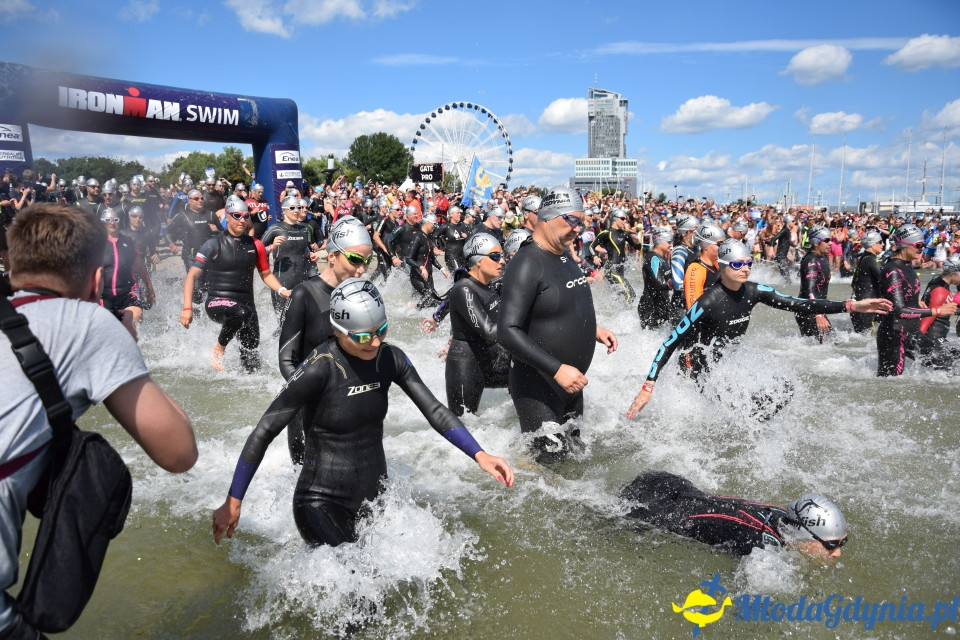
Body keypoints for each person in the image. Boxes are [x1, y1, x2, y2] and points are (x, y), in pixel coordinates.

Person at [1, 203, 197, 639]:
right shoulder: (89, 322)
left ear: (11, 264)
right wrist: (130, 353)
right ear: (95, 280)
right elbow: (179, 452)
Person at [212, 278, 514, 548]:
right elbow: (264, 430)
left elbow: (434, 410)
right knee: (360, 590)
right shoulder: (320, 367)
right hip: (320, 501)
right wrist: (234, 500)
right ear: (338, 330)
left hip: (374, 496)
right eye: (362, 337)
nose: (374, 342)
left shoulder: (390, 359)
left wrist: (480, 454)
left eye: (380, 330)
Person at [627, 239, 892, 418]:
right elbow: (670, 341)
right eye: (738, 264)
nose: (745, 269)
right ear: (723, 266)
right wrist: (648, 385)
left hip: (723, 362)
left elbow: (798, 304)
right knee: (726, 414)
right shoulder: (708, 301)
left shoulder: (754, 291)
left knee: (782, 392)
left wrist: (851, 306)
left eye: (749, 263)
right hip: (696, 366)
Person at [498, 187, 618, 462]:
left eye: (582, 222)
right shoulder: (527, 263)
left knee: (575, 465)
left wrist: (593, 330)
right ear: (548, 217)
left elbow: (560, 303)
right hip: (539, 385)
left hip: (570, 384)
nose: (578, 229)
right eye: (572, 220)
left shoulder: (562, 254)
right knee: (550, 477)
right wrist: (557, 369)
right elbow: (507, 331)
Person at [278, 217, 373, 463]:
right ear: (331, 256)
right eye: (355, 260)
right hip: (309, 408)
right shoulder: (304, 294)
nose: (361, 269)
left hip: (351, 404)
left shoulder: (362, 296)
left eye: (367, 261)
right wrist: (317, 391)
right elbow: (287, 359)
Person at [620, 472, 848, 558]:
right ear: (804, 535)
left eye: (841, 543)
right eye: (831, 545)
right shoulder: (759, 544)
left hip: (671, 484)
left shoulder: (782, 516)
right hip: (652, 510)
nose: (837, 553)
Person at [180, 200, 291, 372]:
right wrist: (187, 307)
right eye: (237, 216)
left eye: (245, 216)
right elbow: (191, 275)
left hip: (247, 306)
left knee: (252, 362)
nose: (241, 220)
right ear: (227, 216)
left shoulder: (256, 245)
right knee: (241, 312)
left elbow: (266, 274)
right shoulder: (214, 244)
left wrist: (282, 290)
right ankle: (219, 348)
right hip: (217, 301)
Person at [877, 224, 958, 377]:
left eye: (924, 245)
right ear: (904, 245)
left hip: (912, 333)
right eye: (918, 245)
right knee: (890, 385)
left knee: (950, 363)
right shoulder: (892, 270)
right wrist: (938, 310)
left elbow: (903, 290)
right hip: (894, 335)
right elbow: (899, 311)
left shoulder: (908, 265)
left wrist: (915, 298)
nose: (922, 249)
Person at [445, 233, 511, 416]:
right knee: (465, 424)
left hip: (491, 359)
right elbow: (489, 330)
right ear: (478, 260)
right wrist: (522, 321)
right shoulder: (464, 289)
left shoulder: (488, 284)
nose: (502, 261)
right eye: (495, 256)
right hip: (466, 365)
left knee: (532, 370)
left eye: (502, 255)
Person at [261, 196, 315, 321]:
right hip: (282, 281)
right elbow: (256, 251)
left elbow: (303, 249)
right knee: (283, 321)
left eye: (299, 207)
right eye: (292, 208)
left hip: (302, 280)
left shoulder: (303, 229)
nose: (296, 210)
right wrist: (272, 246)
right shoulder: (276, 229)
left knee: (303, 319)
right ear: (284, 210)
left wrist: (309, 254)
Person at [99, 207, 154, 329]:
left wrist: (150, 288)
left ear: (119, 222)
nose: (112, 223)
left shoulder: (129, 242)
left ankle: (133, 343)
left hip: (128, 291)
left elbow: (139, 266)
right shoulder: (96, 243)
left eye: (115, 219)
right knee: (107, 327)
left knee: (135, 316)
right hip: (104, 294)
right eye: (108, 220)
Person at [591, 208, 641, 304]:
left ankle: (614, 315)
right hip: (611, 269)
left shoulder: (624, 234)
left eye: (625, 219)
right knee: (630, 295)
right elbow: (591, 246)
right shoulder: (606, 233)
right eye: (622, 219)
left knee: (619, 296)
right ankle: (627, 317)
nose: (624, 221)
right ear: (615, 219)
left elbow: (637, 247)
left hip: (620, 269)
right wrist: (595, 256)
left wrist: (637, 241)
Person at [795, 225, 833, 340]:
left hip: (816, 308)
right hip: (809, 310)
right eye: (826, 240)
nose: (830, 243)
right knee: (820, 348)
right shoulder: (811, 260)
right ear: (816, 242)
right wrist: (819, 315)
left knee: (830, 344)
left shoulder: (821, 257)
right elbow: (809, 289)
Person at [404, 213, 448, 309]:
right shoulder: (418, 237)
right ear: (427, 223)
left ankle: (414, 308)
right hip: (418, 276)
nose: (435, 227)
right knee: (432, 300)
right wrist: (421, 267)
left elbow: (431, 258)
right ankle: (412, 310)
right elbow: (408, 259)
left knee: (437, 301)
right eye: (434, 224)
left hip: (428, 277)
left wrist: (442, 269)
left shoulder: (428, 238)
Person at [637, 228, 674, 329]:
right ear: (659, 242)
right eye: (668, 242)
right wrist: (673, 284)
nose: (671, 245)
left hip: (661, 304)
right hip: (650, 306)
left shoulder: (662, 258)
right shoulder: (653, 258)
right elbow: (659, 283)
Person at [850, 230, 885, 333]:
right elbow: (886, 280)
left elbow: (853, 283)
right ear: (872, 244)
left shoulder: (864, 258)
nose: (882, 244)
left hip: (858, 305)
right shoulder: (872, 260)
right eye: (880, 242)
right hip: (867, 307)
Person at [684, 223, 725, 309]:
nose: (723, 248)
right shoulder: (696, 269)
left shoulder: (716, 264)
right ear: (705, 245)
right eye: (720, 244)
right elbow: (693, 309)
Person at [668, 214, 699, 323]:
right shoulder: (680, 251)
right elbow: (677, 283)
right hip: (681, 308)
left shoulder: (697, 249)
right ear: (684, 233)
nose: (698, 233)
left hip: (694, 305)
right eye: (695, 230)